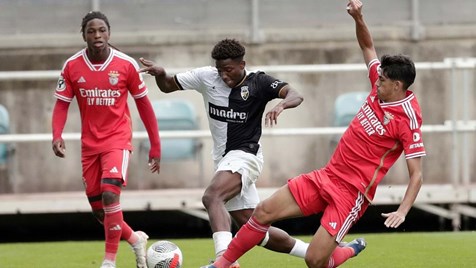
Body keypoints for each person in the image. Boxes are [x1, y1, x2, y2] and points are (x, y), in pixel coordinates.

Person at [204, 0, 427, 267]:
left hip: (351, 193)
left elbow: (417, 174)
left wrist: (403, 211)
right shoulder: (379, 86)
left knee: (315, 260)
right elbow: (368, 47)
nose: (375, 81)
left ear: (397, 85)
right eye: (377, 77)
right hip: (327, 175)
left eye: (381, 80)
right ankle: (220, 265)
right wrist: (358, 18)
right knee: (263, 212)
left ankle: (348, 251)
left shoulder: (408, 119)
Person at [139, 38, 308, 266]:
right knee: (256, 230)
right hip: (224, 161)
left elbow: (295, 94)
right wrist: (161, 74)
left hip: (247, 156)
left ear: (242, 64)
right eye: (220, 70)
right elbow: (168, 85)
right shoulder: (206, 77)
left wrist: (281, 105)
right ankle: (315, 251)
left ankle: (224, 260)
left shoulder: (259, 82)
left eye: (228, 70)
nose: (224, 76)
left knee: (212, 196)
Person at [51, 11, 161, 268]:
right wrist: (57, 135)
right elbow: (61, 105)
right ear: (84, 35)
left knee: (111, 195)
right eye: (91, 31)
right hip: (90, 144)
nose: (97, 35)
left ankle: (109, 262)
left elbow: (144, 106)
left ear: (109, 33)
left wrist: (155, 145)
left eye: (102, 30)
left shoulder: (126, 64)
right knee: (101, 211)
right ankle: (135, 239)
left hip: (117, 139)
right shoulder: (71, 66)